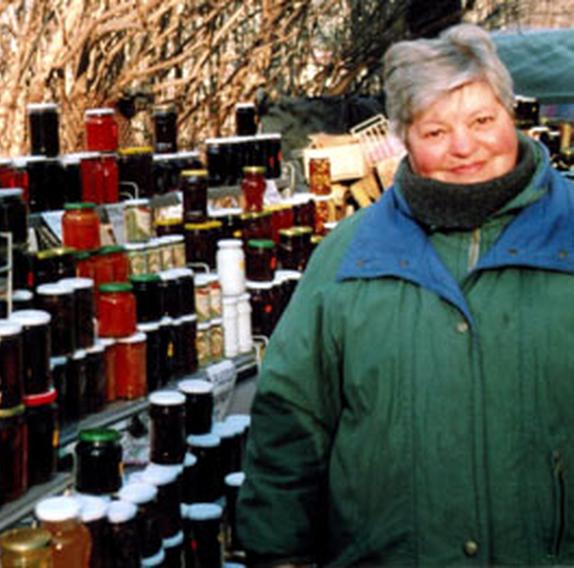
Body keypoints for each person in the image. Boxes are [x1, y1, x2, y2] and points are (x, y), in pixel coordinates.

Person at [237, 23, 574, 565]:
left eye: (483, 120)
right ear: (404, 140)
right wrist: (277, 553)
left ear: (513, 115)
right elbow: (290, 421)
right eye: (435, 131)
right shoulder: (350, 257)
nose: (464, 147)